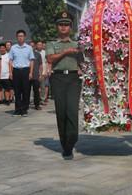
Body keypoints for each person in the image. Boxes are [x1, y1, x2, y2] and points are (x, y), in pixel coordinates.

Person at [46, 11, 84, 160]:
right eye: (61, 24)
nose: (63, 27)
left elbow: (82, 60)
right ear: (57, 27)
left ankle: (72, 138)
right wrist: (66, 52)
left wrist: (81, 55)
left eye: (66, 25)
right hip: (58, 78)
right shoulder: (52, 44)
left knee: (72, 110)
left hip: (74, 78)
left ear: (71, 27)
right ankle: (65, 146)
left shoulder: (78, 44)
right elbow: (50, 59)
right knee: (61, 111)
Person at [10, 30, 35, 116]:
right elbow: (10, 60)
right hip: (16, 71)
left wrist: (31, 72)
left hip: (25, 70)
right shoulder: (13, 48)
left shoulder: (29, 48)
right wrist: (11, 72)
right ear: (16, 37)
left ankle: (24, 110)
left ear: (24, 37)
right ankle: (17, 110)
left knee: (26, 91)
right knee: (17, 91)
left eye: (22, 36)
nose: (20, 38)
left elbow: (31, 61)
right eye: (19, 36)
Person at [31, 41, 43, 110]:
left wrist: (40, 74)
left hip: (36, 75)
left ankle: (37, 105)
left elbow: (41, 65)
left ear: (35, 47)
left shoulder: (38, 54)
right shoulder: (26, 54)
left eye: (33, 46)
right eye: (30, 46)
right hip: (27, 76)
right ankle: (25, 105)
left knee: (36, 91)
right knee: (26, 91)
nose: (31, 47)